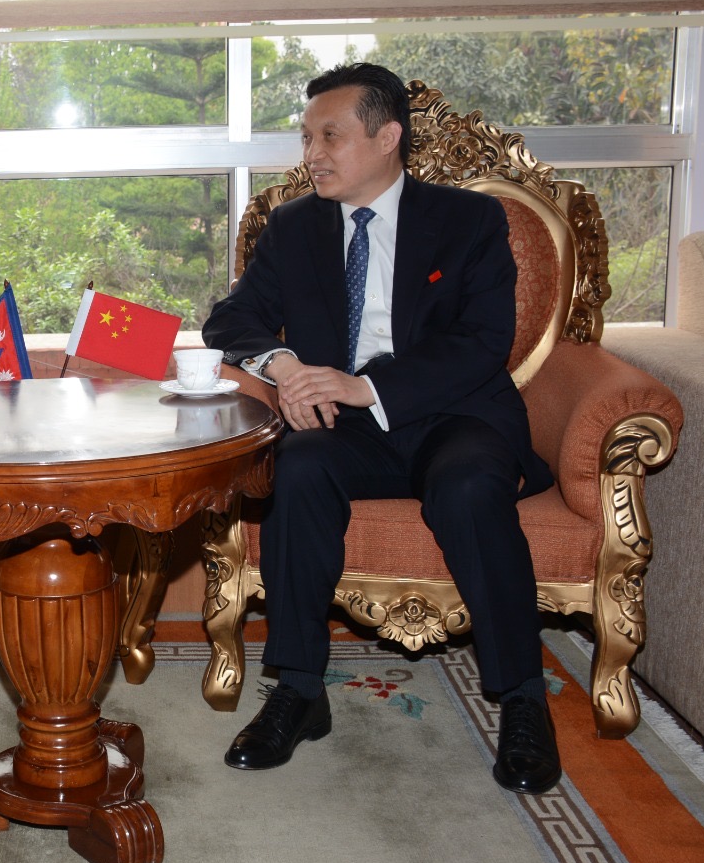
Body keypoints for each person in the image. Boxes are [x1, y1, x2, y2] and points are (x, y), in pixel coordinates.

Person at [201, 62, 561, 795]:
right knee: (298, 469)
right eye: (307, 138)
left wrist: (366, 386)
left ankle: (523, 700)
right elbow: (230, 320)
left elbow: (483, 342)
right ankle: (299, 690)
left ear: (388, 136)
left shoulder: (468, 221)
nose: (312, 154)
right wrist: (284, 366)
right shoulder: (296, 226)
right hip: (343, 427)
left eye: (329, 136)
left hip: (454, 415)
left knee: (468, 488)